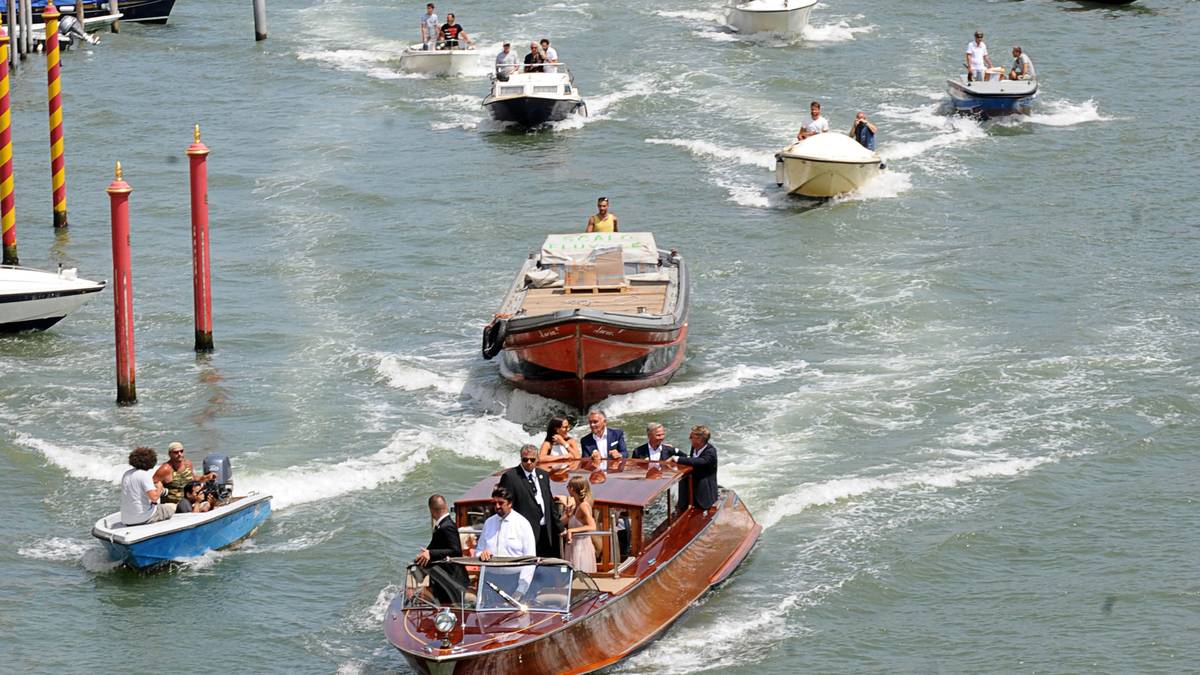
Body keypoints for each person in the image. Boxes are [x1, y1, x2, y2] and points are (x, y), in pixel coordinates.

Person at [498, 444, 562, 558]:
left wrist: (560, 528)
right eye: (525, 459)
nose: (528, 462)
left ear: (537, 459)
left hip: (546, 531)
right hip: (524, 532)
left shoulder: (543, 475)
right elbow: (505, 505)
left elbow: (550, 504)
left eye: (532, 459)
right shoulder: (510, 477)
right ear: (521, 459)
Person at [477, 486, 537, 599]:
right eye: (494, 503)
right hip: (490, 579)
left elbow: (530, 559)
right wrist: (482, 554)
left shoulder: (523, 524)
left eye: (501, 503)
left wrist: (521, 589)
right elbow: (479, 550)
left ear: (510, 504)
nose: (497, 506)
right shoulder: (489, 523)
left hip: (514, 580)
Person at [415, 494, 470, 603]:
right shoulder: (442, 525)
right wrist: (424, 554)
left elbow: (456, 551)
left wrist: (431, 553)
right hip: (444, 581)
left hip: (452, 581)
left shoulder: (447, 526)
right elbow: (434, 547)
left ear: (431, 510)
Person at [667, 425, 719, 510]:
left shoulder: (710, 452)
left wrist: (677, 459)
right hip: (689, 492)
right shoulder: (694, 448)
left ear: (700, 439)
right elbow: (690, 459)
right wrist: (674, 450)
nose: (689, 438)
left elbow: (700, 461)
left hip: (704, 494)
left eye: (691, 437)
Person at [121, 447, 175, 525]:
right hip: (144, 518)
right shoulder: (145, 475)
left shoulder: (126, 474)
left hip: (126, 519)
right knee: (172, 507)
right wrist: (160, 488)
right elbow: (154, 498)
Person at [152, 441, 216, 506]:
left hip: (189, 502)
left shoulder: (188, 464)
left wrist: (207, 477)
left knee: (211, 501)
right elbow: (151, 485)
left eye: (181, 451)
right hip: (173, 505)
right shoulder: (165, 469)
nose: (179, 454)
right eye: (176, 452)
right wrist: (160, 489)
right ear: (170, 454)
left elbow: (194, 479)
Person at [560, 476, 597, 573]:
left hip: (581, 547)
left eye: (567, 487)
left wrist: (571, 530)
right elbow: (561, 523)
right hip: (573, 546)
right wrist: (568, 514)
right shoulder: (575, 506)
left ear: (571, 489)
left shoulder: (584, 506)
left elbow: (592, 526)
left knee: (580, 573)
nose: (567, 489)